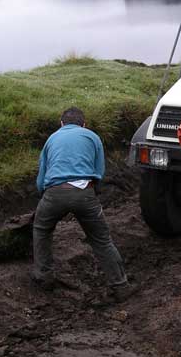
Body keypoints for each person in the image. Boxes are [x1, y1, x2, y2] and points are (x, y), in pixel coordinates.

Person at [32, 106, 133, 301]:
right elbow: (100, 171)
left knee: (41, 229)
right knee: (102, 240)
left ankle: (44, 277)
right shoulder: (92, 137)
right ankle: (120, 286)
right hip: (85, 194)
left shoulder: (51, 139)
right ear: (84, 124)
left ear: (61, 124)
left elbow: (41, 177)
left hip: (54, 194)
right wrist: (91, 193)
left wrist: (44, 197)